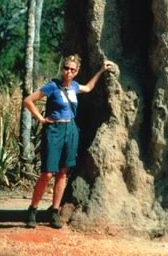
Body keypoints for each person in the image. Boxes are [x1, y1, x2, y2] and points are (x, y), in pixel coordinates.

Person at [23, 54, 113, 229]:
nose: (68, 72)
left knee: (63, 172)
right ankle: (32, 210)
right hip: (54, 129)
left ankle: (55, 212)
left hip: (71, 130)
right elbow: (28, 100)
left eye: (73, 70)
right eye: (66, 68)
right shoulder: (52, 86)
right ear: (62, 68)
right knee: (48, 173)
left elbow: (88, 88)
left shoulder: (74, 86)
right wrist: (40, 119)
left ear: (77, 71)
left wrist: (102, 70)